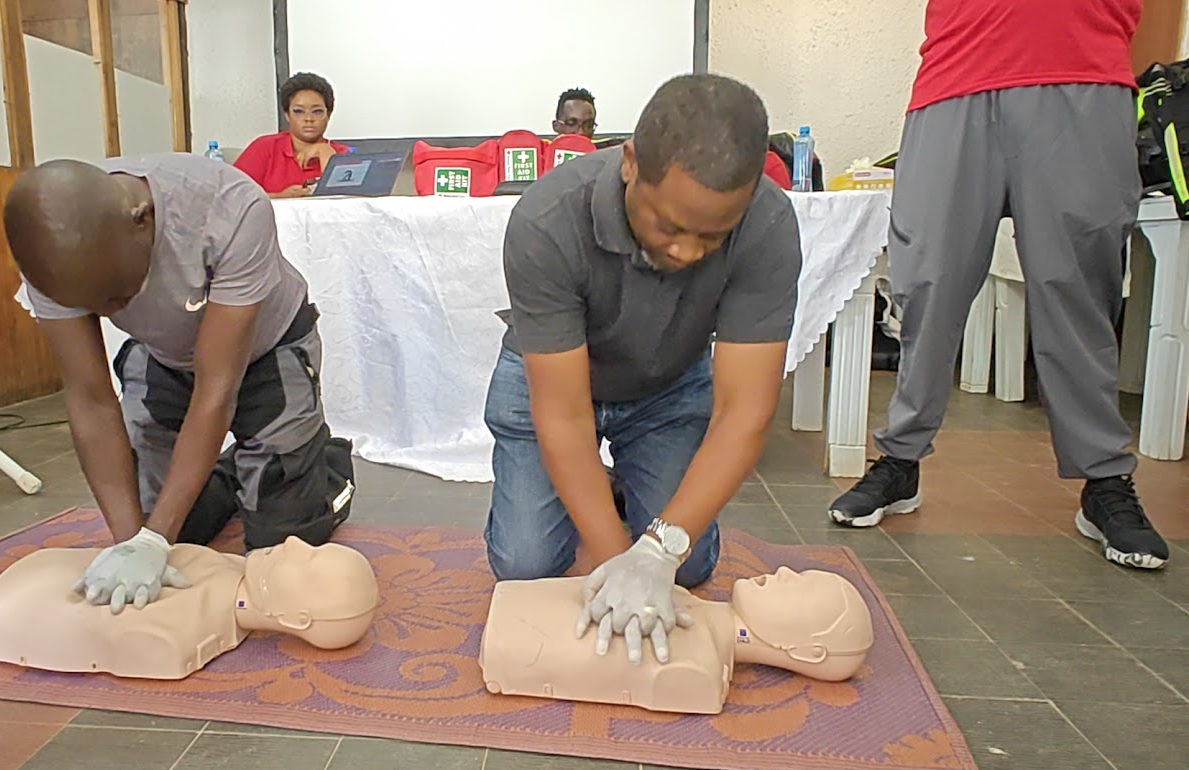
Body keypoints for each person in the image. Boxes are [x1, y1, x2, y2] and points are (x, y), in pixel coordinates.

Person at [826, 0, 1169, 570]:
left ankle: (1105, 479)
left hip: (1081, 69)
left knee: (1078, 287)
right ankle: (901, 460)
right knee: (926, 281)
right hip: (956, 74)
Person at [486, 73, 802, 664]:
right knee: (525, 566)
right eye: (669, 225)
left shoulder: (768, 223)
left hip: (665, 385)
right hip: (552, 388)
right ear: (630, 162)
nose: (686, 251)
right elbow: (563, 413)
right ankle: (608, 500)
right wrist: (618, 565)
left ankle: (623, 497)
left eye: (713, 234)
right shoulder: (546, 219)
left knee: (691, 563)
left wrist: (657, 555)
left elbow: (744, 413)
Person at [3, 153, 356, 614]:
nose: (112, 311)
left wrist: (154, 541)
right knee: (172, 532)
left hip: (267, 347)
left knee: (284, 546)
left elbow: (217, 389)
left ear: (142, 221)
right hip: (165, 353)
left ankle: (325, 467)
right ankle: (235, 473)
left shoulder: (228, 209)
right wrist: (135, 542)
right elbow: (90, 399)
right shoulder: (49, 253)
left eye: (117, 297)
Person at [234, 72, 349, 198]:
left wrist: (325, 152)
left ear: (329, 115)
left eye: (317, 112)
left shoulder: (341, 153)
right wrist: (281, 197)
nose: (308, 119)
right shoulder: (265, 147)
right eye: (299, 111)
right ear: (287, 115)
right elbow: (233, 197)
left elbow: (346, 202)